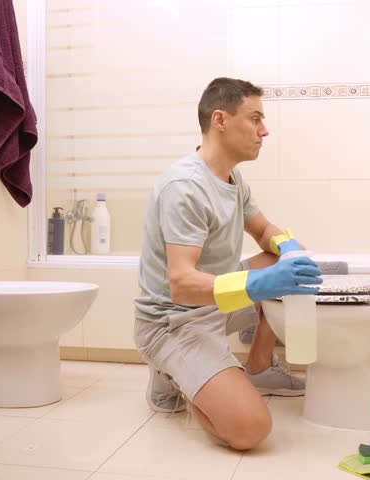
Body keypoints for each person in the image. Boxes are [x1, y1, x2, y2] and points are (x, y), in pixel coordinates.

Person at [133, 77, 322, 450]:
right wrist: (259, 285)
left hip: (213, 303)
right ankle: (173, 373)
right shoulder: (185, 187)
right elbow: (182, 284)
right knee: (251, 430)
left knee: (278, 259)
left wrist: (289, 247)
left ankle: (258, 367)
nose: (264, 130)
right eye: (254, 119)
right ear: (220, 120)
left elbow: (263, 229)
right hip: (173, 322)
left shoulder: (232, 178)